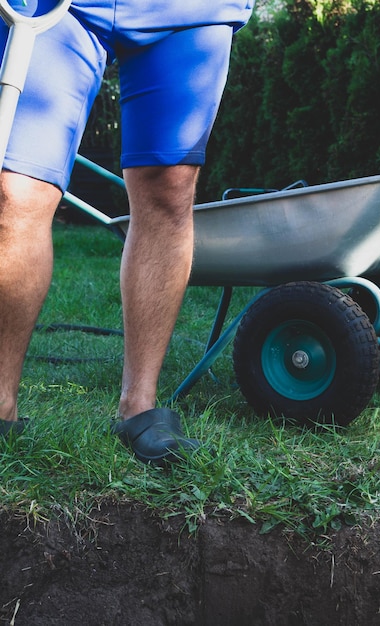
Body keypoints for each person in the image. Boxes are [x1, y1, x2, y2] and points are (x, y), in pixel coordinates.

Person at [0, 0, 254, 463]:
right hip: (57, 7)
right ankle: (0, 403)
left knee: (170, 188)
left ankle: (140, 407)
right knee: (15, 190)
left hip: (188, 8)